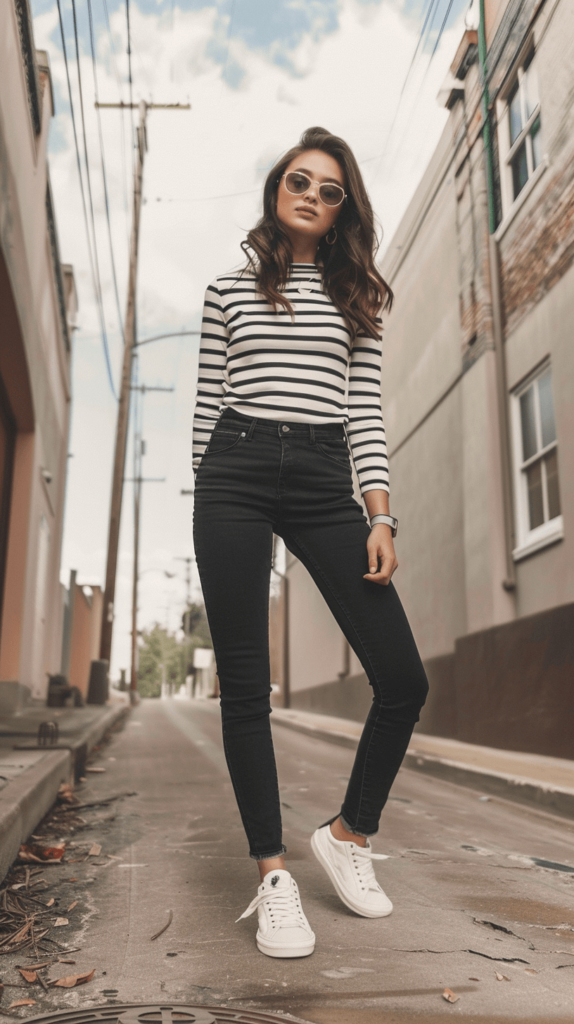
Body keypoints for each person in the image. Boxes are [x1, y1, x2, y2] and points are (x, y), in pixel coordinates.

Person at [192, 126, 429, 959]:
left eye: (331, 190)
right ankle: (274, 874)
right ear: (275, 186)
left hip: (328, 475)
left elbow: (365, 413)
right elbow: (203, 415)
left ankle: (349, 834)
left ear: (342, 212)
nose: (312, 195)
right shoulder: (227, 290)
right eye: (301, 179)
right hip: (235, 468)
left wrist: (380, 515)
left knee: (402, 678)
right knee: (247, 687)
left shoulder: (357, 297)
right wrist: (210, 517)